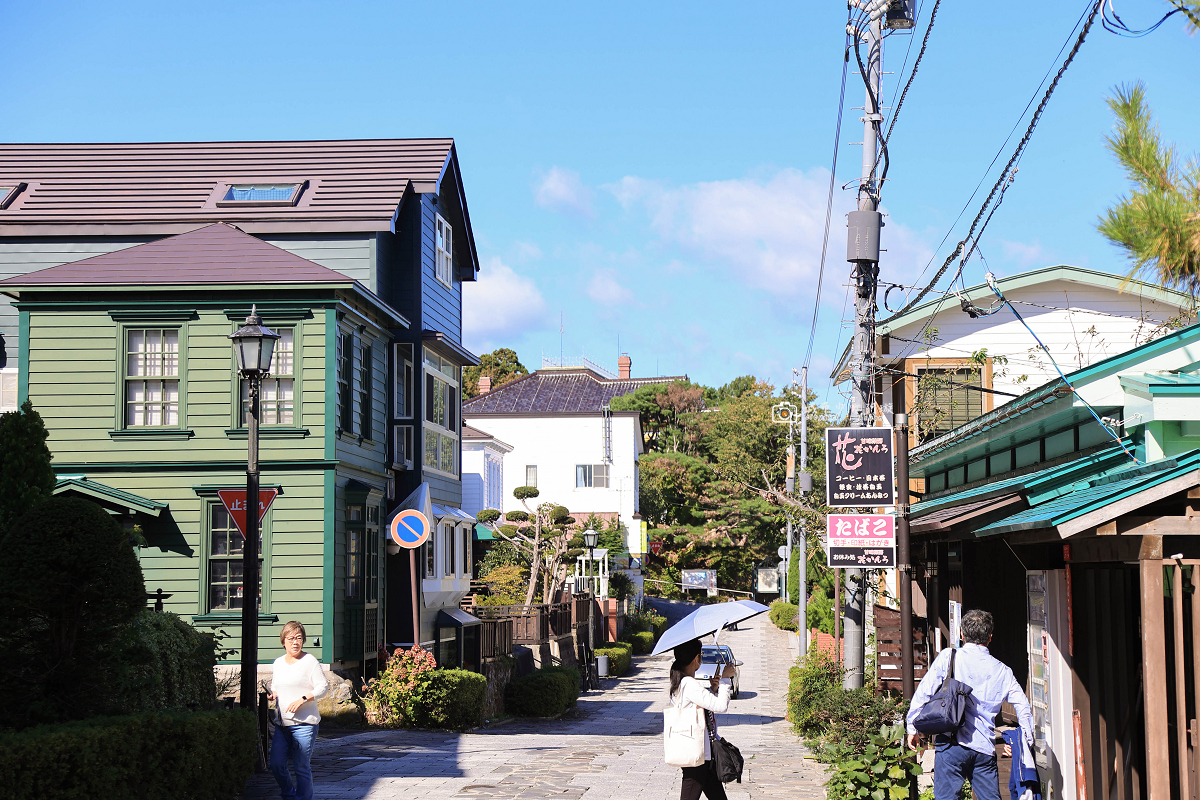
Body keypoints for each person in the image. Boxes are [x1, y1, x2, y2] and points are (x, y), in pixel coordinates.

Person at [906, 609, 1035, 800]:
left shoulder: (949, 657)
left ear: (961, 634)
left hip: (951, 743)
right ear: (990, 637)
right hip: (984, 748)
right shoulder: (1002, 670)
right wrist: (1024, 743)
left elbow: (924, 692)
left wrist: (912, 726)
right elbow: (1023, 708)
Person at [668, 638, 737, 800]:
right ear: (696, 659)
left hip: (704, 754)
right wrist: (726, 679)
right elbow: (720, 706)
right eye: (701, 655)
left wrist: (712, 689)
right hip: (697, 754)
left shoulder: (682, 682)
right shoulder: (689, 684)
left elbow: (700, 705)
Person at [267, 621, 329, 800]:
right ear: (283, 641)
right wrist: (273, 695)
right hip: (282, 725)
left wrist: (303, 699)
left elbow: (323, 687)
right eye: (291, 638)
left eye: (299, 638)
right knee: (277, 764)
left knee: (301, 766)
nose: (295, 642)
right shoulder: (278, 663)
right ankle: (288, 794)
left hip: (304, 725)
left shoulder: (309, 661)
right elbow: (276, 686)